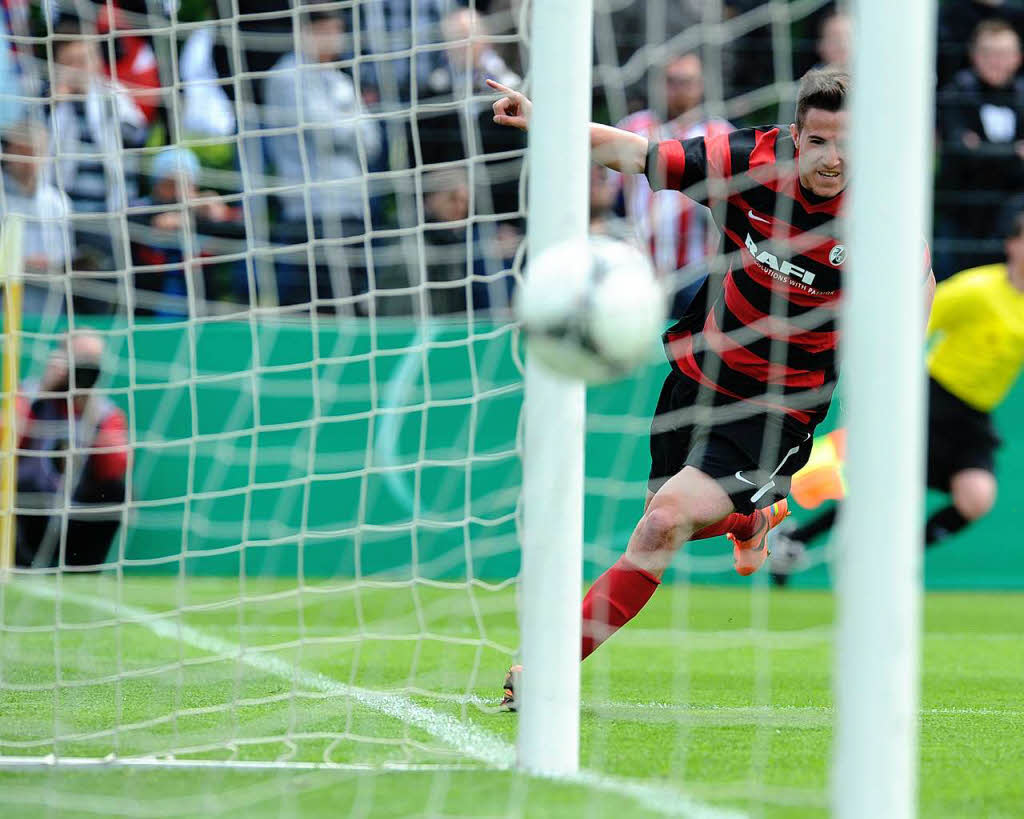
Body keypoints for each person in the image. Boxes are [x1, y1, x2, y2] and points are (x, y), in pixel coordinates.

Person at [488, 66, 935, 702]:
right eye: (820, 142)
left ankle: (548, 670)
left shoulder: (879, 216)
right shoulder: (747, 161)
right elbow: (637, 154)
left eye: (850, 144)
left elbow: (920, 282)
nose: (835, 160)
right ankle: (750, 518)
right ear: (794, 135)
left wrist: (900, 368)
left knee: (662, 524)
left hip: (781, 404)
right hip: (699, 372)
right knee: (663, 515)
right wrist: (545, 122)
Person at [771, 212, 1024, 584]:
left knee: (977, 497)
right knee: (887, 488)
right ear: (1011, 244)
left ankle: (895, 564)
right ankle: (795, 539)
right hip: (932, 398)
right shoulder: (978, 289)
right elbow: (918, 317)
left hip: (974, 417)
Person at [262, 7, 382, 310]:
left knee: (354, 304)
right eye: (326, 31)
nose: (334, 39)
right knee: (314, 307)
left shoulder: (341, 79)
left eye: (337, 31)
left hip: (351, 208)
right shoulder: (286, 76)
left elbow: (373, 140)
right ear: (306, 33)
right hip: (310, 213)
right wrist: (348, 119)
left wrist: (345, 121)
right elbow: (324, 131)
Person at [613, 52, 733, 314]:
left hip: (700, 269)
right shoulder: (634, 128)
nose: (678, 89)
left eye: (686, 81)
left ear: (701, 85)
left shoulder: (721, 133)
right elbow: (612, 193)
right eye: (671, 81)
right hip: (642, 267)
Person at [14, 331, 128, 569]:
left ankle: (85, 569)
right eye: (81, 359)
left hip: (75, 509)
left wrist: (91, 413)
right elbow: (7, 443)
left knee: (118, 491)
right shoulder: (27, 396)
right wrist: (43, 392)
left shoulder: (105, 412)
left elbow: (114, 469)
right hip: (27, 508)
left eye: (94, 362)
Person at [935, 19, 1024, 278]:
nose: (996, 61)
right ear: (974, 55)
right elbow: (962, 152)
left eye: (1004, 53)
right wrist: (1013, 152)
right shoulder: (955, 93)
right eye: (989, 53)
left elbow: (973, 151)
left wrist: (981, 149)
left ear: (1018, 58)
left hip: (1011, 217)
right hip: (961, 214)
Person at [128, 146, 242, 316]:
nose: (179, 191)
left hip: (200, 311)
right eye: (171, 184)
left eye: (185, 184)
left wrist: (218, 214)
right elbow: (140, 223)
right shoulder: (140, 209)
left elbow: (240, 232)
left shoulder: (205, 213)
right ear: (157, 184)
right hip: (148, 311)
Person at [0, 119, 75, 316]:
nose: (29, 160)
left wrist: (53, 264)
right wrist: (19, 263)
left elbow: (66, 259)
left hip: (46, 306)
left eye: (35, 151)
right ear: (8, 153)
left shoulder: (57, 201)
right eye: (22, 151)